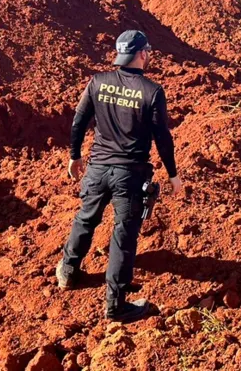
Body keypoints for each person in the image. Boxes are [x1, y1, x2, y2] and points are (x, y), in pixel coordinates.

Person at [57, 30, 183, 322]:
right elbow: (162, 138)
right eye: (147, 50)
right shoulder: (152, 91)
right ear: (141, 53)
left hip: (98, 169)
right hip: (130, 174)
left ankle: (67, 271)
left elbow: (79, 121)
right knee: (124, 236)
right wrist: (173, 174)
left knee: (86, 219)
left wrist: (75, 155)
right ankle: (116, 305)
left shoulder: (98, 82)